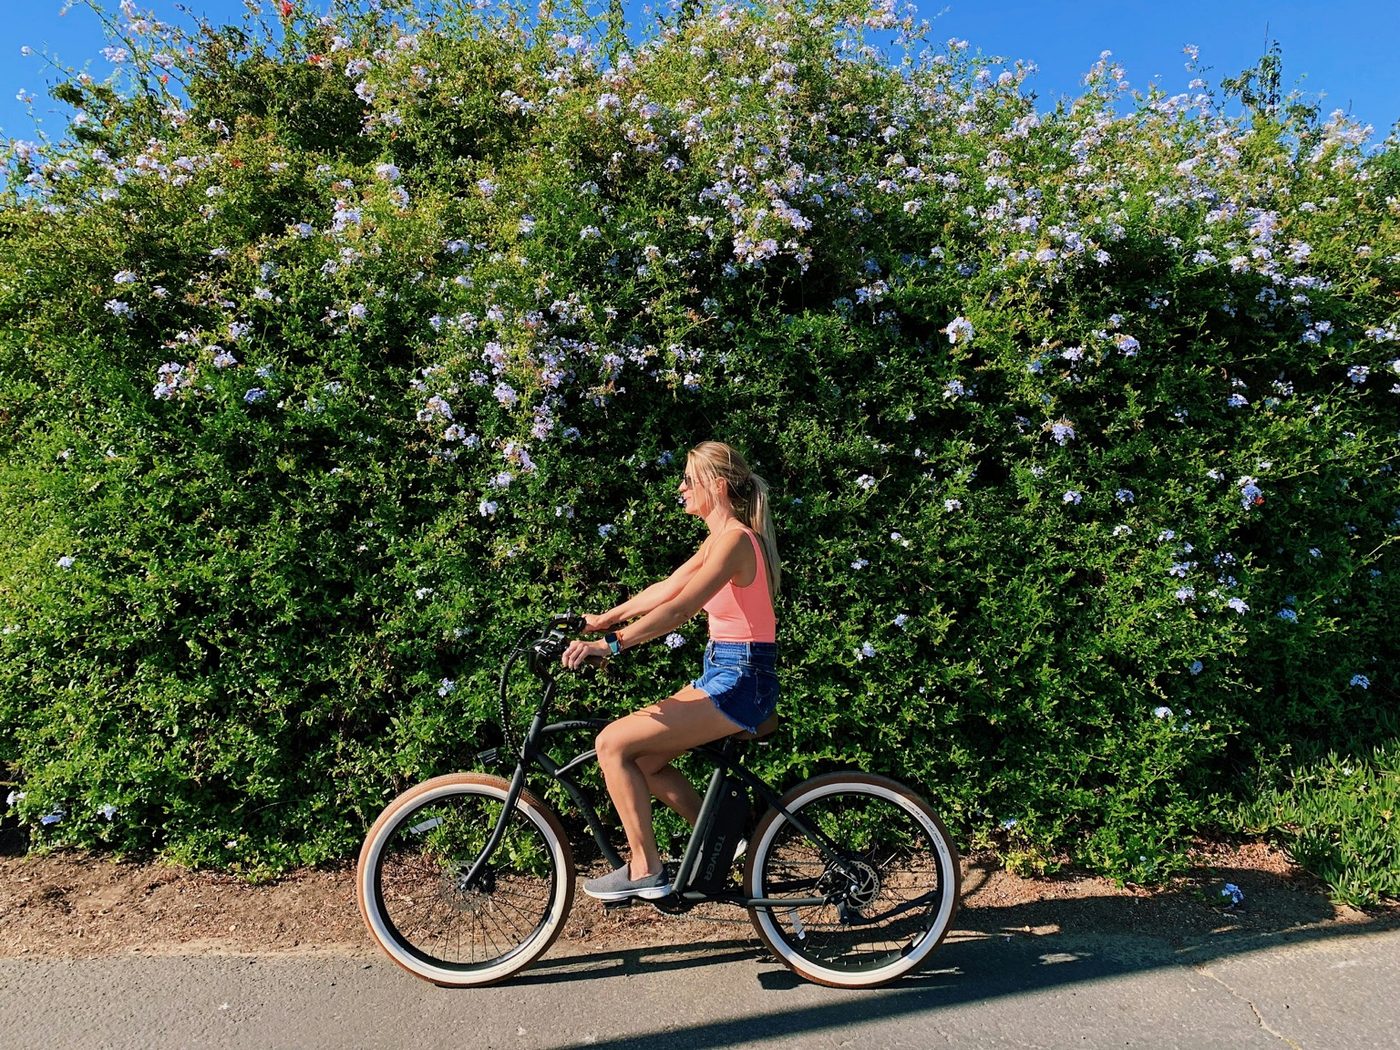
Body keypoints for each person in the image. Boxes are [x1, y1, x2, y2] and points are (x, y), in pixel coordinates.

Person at [560, 440, 781, 902]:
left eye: (688, 479)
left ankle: (644, 868)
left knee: (612, 743)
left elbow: (680, 608)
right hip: (726, 671)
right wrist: (603, 618)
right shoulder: (719, 538)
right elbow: (665, 588)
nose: (680, 488)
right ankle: (724, 838)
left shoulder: (737, 540)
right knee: (644, 760)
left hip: (742, 679)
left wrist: (609, 645)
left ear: (716, 486)